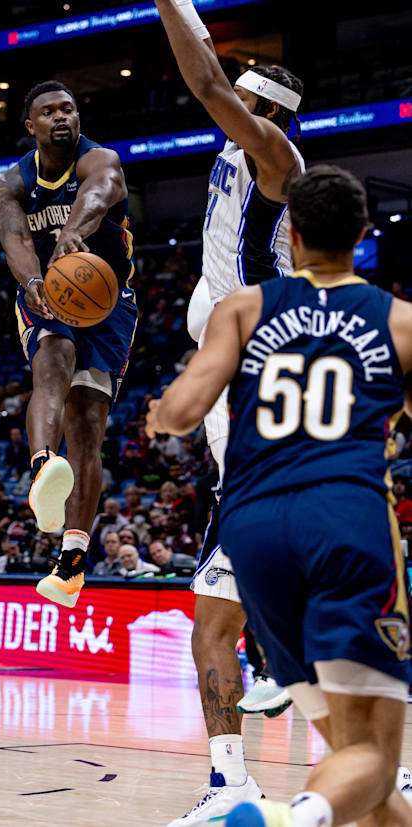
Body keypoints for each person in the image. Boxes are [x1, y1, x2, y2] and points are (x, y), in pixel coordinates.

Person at [146, 165, 412, 827]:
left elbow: (179, 413)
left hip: (254, 530)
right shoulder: (400, 321)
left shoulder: (244, 307)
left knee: (352, 754)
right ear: (362, 234)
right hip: (345, 517)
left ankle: (290, 805)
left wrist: (159, 410)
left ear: (290, 236)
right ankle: (292, 817)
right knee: (377, 754)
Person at [153, 0, 306, 818]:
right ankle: (229, 787)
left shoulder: (277, 157)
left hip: (263, 376)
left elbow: (207, 77)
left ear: (266, 114)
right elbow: (214, 79)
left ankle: (384, 761)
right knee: (211, 615)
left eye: (243, 104)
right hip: (229, 385)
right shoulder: (234, 155)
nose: (226, 112)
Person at [0, 79, 137, 608]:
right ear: (31, 126)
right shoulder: (8, 182)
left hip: (109, 299)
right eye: (49, 111)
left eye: (69, 108)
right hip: (44, 289)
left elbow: (101, 192)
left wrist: (74, 232)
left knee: (89, 424)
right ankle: (43, 466)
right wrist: (34, 284)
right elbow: (14, 237)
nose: (61, 117)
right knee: (54, 355)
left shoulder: (100, 159)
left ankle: (72, 560)